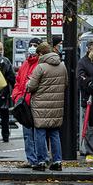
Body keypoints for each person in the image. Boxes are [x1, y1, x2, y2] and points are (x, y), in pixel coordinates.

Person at [26, 43, 66, 172]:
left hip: (40, 105)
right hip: (56, 105)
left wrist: (28, 82)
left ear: (41, 54)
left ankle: (41, 161)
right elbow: (66, 84)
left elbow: (31, 87)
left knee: (40, 133)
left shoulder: (40, 67)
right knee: (54, 133)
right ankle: (57, 161)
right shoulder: (62, 66)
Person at [13, 38, 42, 169]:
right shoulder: (25, 64)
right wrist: (17, 96)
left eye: (35, 45)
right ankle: (31, 159)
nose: (32, 48)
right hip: (24, 103)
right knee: (27, 133)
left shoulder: (40, 64)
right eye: (30, 45)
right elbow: (18, 82)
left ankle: (39, 158)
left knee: (38, 134)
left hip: (35, 103)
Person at [77, 42, 93, 159]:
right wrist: (92, 82)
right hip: (88, 98)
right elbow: (81, 79)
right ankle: (89, 151)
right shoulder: (83, 62)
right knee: (89, 126)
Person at [0, 41, 15, 144]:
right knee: (5, 114)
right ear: (1, 50)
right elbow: (11, 76)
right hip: (4, 90)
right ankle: (5, 135)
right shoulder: (5, 61)